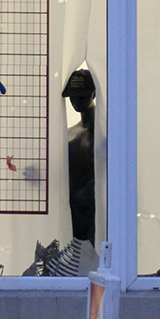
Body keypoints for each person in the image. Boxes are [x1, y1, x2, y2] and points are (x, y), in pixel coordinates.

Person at [62, 70, 96, 244]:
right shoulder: (69, 135)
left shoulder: (106, 133)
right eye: (72, 97)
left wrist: (90, 190)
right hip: (73, 215)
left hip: (97, 214)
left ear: (94, 94)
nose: (76, 101)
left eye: (82, 96)